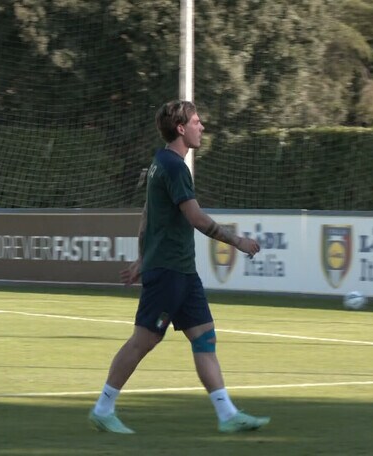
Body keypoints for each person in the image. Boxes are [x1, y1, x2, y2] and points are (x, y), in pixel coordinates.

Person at [88, 100, 270, 434]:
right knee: (143, 341)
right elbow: (197, 218)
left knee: (204, 338)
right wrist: (239, 242)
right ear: (181, 128)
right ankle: (103, 407)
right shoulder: (173, 167)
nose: (202, 127)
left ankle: (227, 414)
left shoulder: (160, 162)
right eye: (197, 122)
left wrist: (142, 258)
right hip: (170, 271)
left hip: (181, 271)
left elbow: (147, 215)